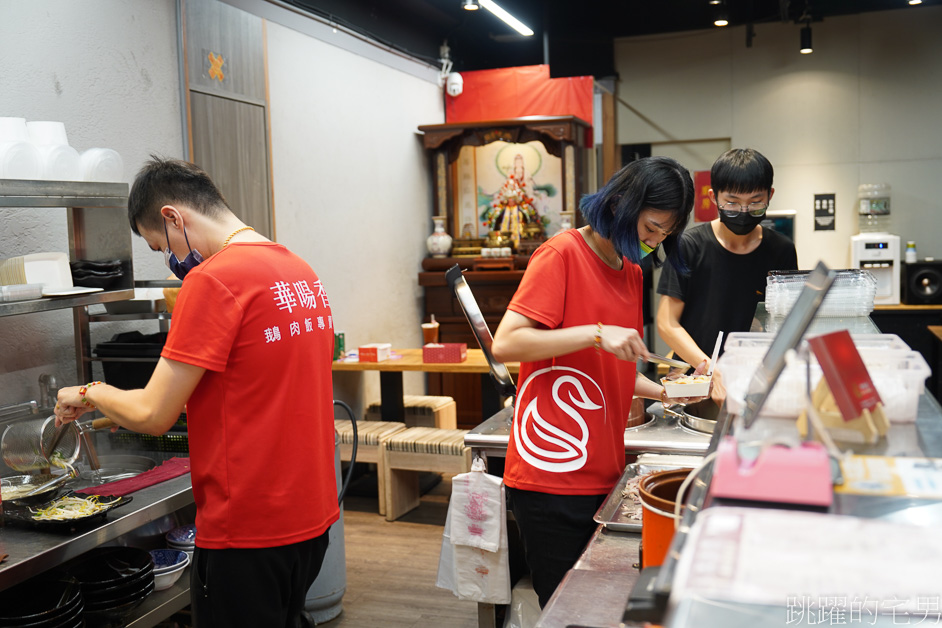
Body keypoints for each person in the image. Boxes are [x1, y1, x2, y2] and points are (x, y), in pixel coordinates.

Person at [53, 157, 339, 628]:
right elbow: (260, 384)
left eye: (159, 245)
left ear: (173, 217)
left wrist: (89, 390)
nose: (169, 259)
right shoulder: (298, 271)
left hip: (247, 529)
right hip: (310, 520)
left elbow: (152, 414)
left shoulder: (213, 280)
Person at [490, 156, 698, 608]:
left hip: (602, 471)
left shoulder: (632, 272)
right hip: (551, 472)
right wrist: (597, 332)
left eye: (666, 234)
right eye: (652, 227)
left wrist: (669, 391)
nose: (655, 240)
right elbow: (505, 344)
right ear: (622, 202)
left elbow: (613, 369)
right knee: (567, 610)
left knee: (597, 606)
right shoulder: (561, 254)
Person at [656, 148, 798, 405]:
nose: (743, 211)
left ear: (770, 196)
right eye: (732, 202)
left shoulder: (782, 250)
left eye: (755, 202)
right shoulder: (689, 245)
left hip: (752, 381)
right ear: (714, 197)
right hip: (695, 377)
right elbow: (667, 323)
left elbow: (783, 322)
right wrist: (710, 368)